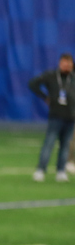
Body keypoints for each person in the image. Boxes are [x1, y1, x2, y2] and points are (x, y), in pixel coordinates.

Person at [29, 52, 75, 182]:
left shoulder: (73, 78)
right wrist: (45, 97)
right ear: (60, 63)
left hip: (71, 117)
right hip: (56, 115)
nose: (67, 66)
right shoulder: (51, 76)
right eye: (65, 63)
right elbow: (33, 84)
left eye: (69, 63)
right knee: (49, 143)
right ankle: (40, 170)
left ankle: (61, 171)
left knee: (65, 146)